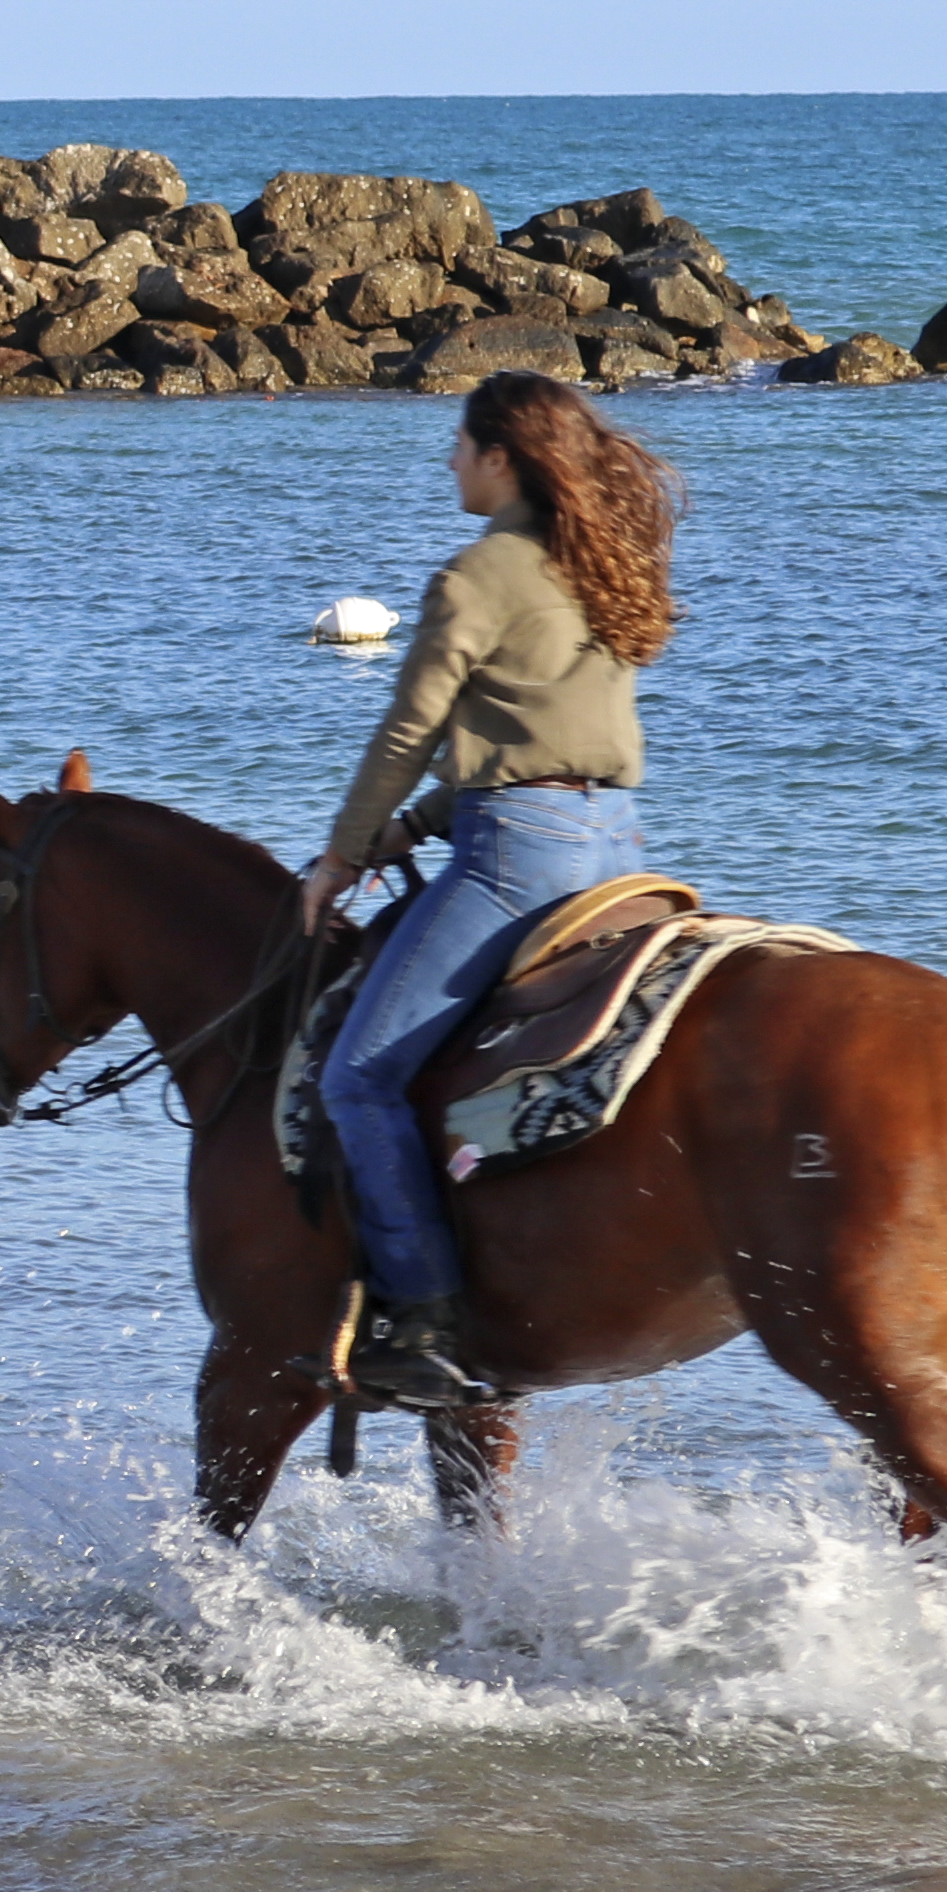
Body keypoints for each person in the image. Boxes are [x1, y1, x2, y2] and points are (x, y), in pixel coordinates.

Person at [295, 369, 682, 1409]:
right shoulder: (600, 560)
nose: (449, 460)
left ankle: (419, 1317)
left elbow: (409, 733)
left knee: (358, 1078)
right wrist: (411, 827)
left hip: (520, 854)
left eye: (461, 444)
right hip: (618, 848)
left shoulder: (477, 573)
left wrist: (338, 857)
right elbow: (534, 733)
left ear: (501, 456)